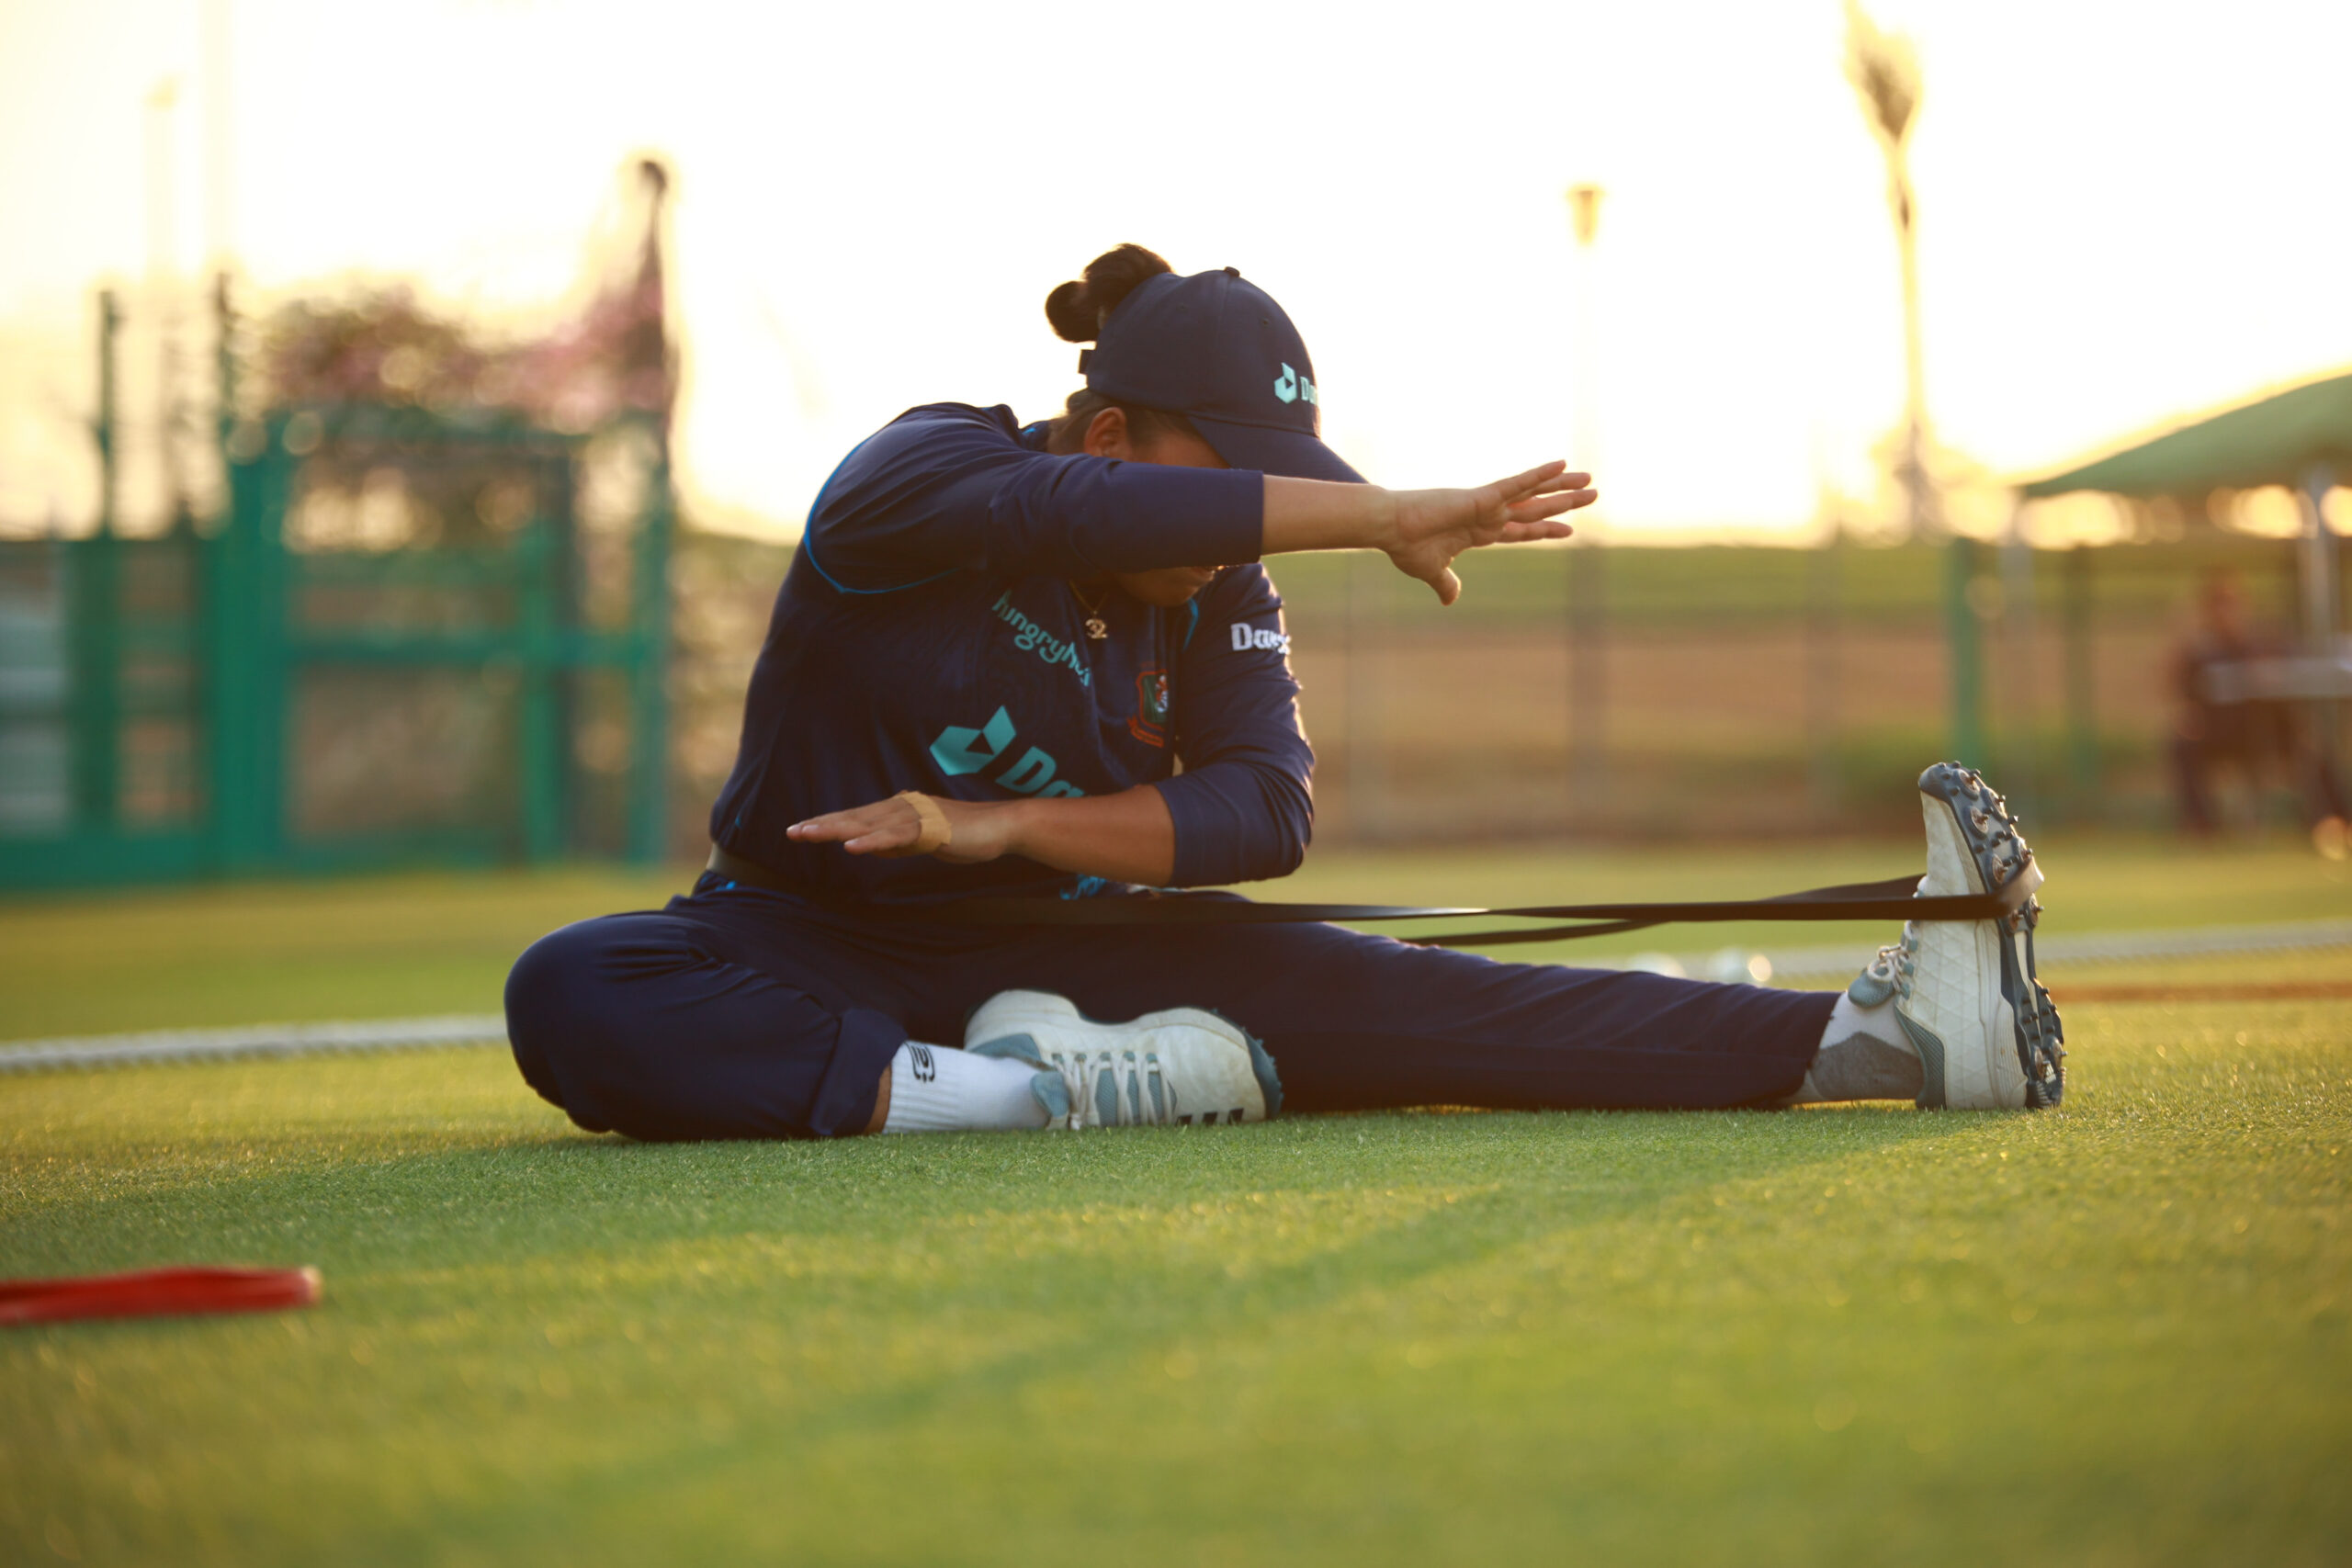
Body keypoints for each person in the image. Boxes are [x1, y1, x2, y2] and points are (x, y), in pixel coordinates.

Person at [504, 244, 2064, 1141]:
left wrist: (1002, 835)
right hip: (795, 935)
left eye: (1291, 491)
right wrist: (1384, 513)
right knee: (573, 991)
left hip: (1079, 949)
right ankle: (1026, 1101)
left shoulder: (1219, 591)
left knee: (1399, 994)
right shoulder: (918, 480)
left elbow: (1263, 815)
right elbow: (1075, 521)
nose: (1253, 526)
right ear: (1108, 434)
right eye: (1231, 481)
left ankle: (1886, 1042)